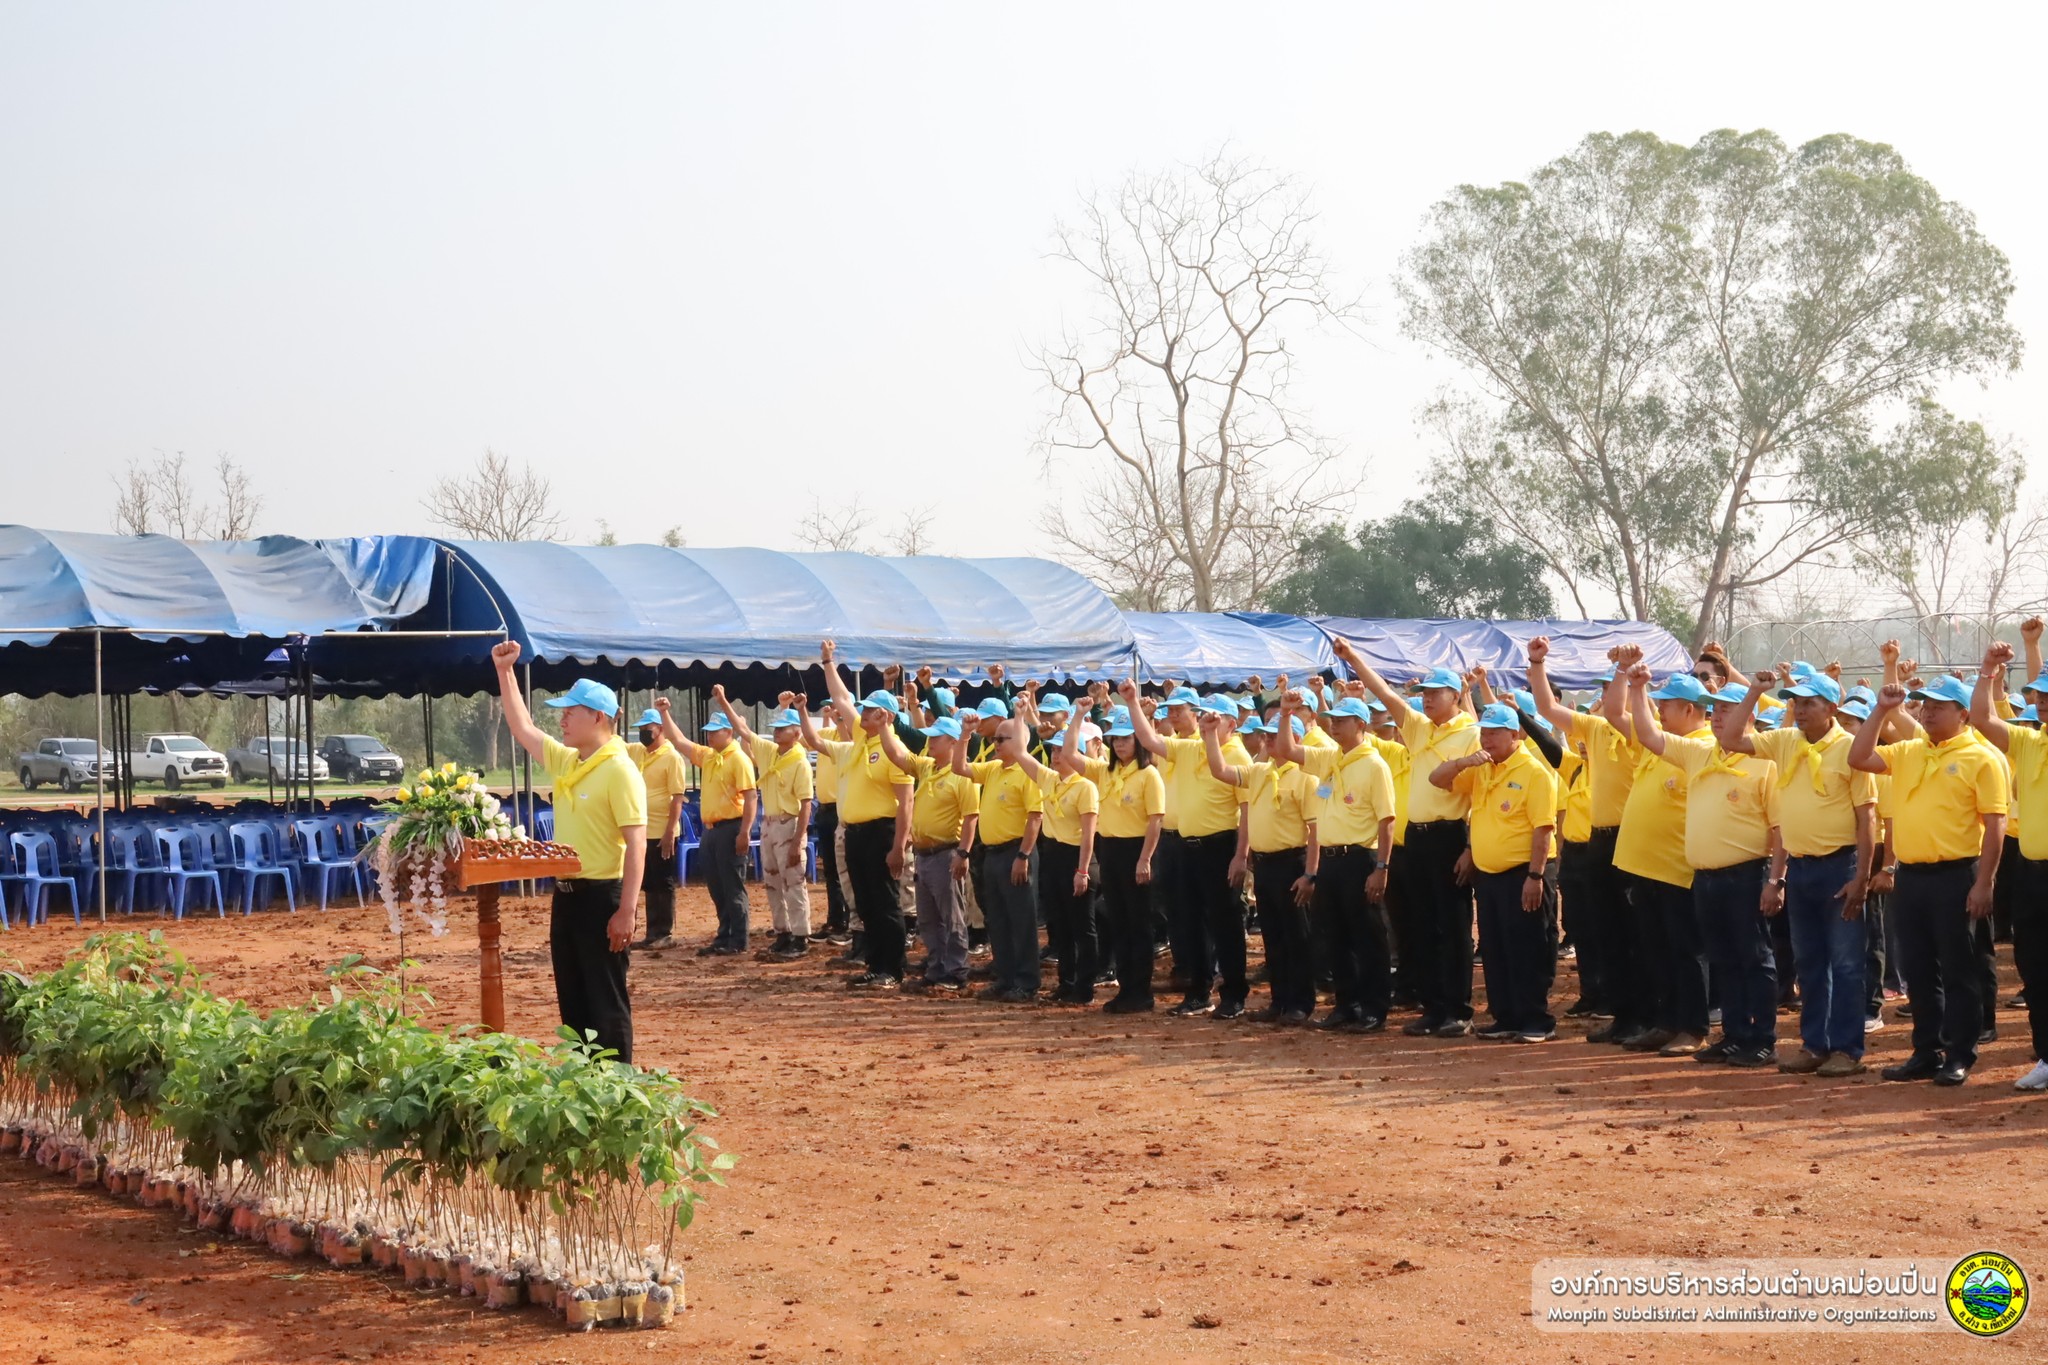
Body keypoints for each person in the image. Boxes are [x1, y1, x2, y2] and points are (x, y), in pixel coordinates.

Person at [1849, 675, 2009, 1086]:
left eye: (1940, 704)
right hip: (1913, 877)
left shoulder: (1982, 757)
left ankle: (1960, 1053)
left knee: (1960, 969)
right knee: (1919, 970)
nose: (1929, 710)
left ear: (1963, 713)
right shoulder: (1909, 750)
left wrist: (1985, 883)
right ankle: (1925, 1050)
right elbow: (1859, 756)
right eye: (1925, 703)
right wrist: (1882, 709)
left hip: (1958, 874)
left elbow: (1995, 825)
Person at [1717, 668, 1876, 1077]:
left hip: (1841, 865)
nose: (1800, 710)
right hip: (1802, 867)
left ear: (1832, 708)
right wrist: (1754, 690)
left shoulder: (1851, 748)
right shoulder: (1787, 740)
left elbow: (1866, 817)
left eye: (1810, 703)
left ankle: (1846, 1049)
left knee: (1845, 965)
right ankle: (1815, 1045)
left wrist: (1862, 877)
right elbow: (1730, 739)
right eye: (1796, 703)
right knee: (1810, 963)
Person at [491, 643, 645, 1062]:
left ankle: (617, 1091)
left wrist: (627, 911)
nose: (561, 719)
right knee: (574, 1002)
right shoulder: (572, 761)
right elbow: (523, 728)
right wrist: (505, 672)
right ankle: (582, 1084)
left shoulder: (619, 769)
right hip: (568, 896)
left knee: (606, 1002)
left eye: (570, 711)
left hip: (603, 897)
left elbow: (636, 844)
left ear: (598, 717)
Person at [1628, 663, 1783, 1066]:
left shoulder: (1765, 762)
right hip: (1706, 877)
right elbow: (1647, 734)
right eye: (1714, 710)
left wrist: (1776, 881)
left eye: (1728, 710)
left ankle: (1762, 1038)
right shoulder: (1699, 753)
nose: (1717, 716)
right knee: (1724, 959)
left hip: (1749, 875)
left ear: (1749, 716)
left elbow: (1781, 828)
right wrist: (1638, 686)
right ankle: (1734, 1035)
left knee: (1755, 958)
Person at [1330, 636, 1480, 1038]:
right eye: (1424, 693)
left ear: (1455, 695)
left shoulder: (1471, 733)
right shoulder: (1418, 728)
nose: (1426, 700)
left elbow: (1481, 794)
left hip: (1451, 834)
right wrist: (1354, 660)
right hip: (1416, 839)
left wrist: (1469, 846)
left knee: (1452, 927)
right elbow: (1383, 691)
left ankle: (1458, 1010)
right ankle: (1433, 1007)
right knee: (1420, 927)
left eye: (1435, 693)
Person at [1599, 653, 1711, 1054]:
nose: (1659, 710)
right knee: (1656, 951)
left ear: (1689, 709)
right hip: (1644, 867)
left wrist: (1640, 685)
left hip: (1678, 868)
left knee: (1686, 952)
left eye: (1665, 705)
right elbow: (1614, 712)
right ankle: (1666, 1022)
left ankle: (1693, 1027)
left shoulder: (1703, 747)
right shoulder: (1657, 743)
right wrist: (1628, 677)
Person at [1430, 702, 1560, 1042]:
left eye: (1494, 733)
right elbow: (1437, 779)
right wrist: (1463, 762)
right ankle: (1506, 1017)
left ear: (1514, 734)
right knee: (1496, 948)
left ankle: (1536, 1019)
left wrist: (1535, 876)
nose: (1487, 740)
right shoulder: (1482, 768)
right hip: (1489, 874)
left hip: (1523, 873)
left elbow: (1543, 829)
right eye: (1484, 733)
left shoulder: (1534, 772)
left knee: (1526, 947)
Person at [1127, 682, 1253, 1020]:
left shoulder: (1238, 755)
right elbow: (1149, 740)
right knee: (1188, 922)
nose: (1210, 722)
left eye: (1218, 718)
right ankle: (1198, 992)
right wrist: (1130, 702)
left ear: (1232, 723)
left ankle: (1234, 995)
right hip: (1185, 846)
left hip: (1220, 845)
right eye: (1206, 716)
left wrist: (1241, 855)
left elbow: (1247, 812)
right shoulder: (1188, 747)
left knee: (1225, 922)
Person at [1270, 693, 1397, 1030]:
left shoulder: (1375, 765)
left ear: (1361, 724)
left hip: (1359, 858)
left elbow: (1387, 821)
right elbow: (1287, 750)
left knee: (1367, 937)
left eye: (1342, 720)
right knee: (1335, 936)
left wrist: (1381, 868)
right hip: (1329, 860)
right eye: (1333, 720)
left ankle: (1373, 1009)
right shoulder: (1330, 757)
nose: (1334, 725)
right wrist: (1285, 715)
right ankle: (1346, 1004)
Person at [1528, 639, 1634, 1024]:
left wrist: (1625, 671)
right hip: (1591, 846)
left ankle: (1631, 1009)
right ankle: (1610, 1004)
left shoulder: (1638, 732)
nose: (1607, 697)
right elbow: (1546, 709)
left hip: (1627, 839)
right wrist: (1537, 662)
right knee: (1597, 928)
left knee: (1627, 931)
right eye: (1603, 690)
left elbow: (1630, 711)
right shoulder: (1592, 733)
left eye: (1612, 689)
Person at [807, 639, 916, 988]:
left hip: (881, 832)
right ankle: (875, 963)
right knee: (866, 904)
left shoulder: (893, 748)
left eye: (870, 711)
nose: (862, 714)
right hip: (855, 832)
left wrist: (899, 845)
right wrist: (828, 662)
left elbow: (906, 802)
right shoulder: (859, 740)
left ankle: (893, 968)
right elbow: (841, 698)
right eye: (864, 710)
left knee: (885, 902)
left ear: (886, 716)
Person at [1205, 711, 1320, 1024]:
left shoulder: (1306, 777)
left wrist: (1310, 874)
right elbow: (1221, 770)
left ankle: (1300, 1003)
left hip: (1292, 862)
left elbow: (1315, 831)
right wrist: (1210, 735)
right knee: (1273, 936)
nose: (1267, 740)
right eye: (1266, 736)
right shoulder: (1259, 771)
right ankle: (1279, 1000)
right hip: (1266, 865)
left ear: (1294, 739)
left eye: (1274, 736)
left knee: (1297, 936)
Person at [1971, 643, 2048, 1090]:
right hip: (2033, 875)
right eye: (2038, 695)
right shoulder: (2030, 740)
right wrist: (1987, 671)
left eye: (2047, 696)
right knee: (2034, 967)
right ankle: (2045, 1056)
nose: (2040, 702)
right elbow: (1982, 719)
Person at [876, 711, 980, 993]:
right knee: (929, 918)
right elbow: (898, 756)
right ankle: (937, 968)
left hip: (947, 852)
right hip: (925, 854)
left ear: (953, 743)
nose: (930, 742)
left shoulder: (962, 776)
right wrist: (886, 727)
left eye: (937, 738)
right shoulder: (927, 768)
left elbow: (972, 816)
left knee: (952, 916)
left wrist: (964, 853)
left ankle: (956, 971)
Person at [653, 692, 757, 956]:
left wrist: (745, 832)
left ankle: (738, 938)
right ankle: (724, 935)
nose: (709, 736)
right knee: (716, 886)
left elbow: (751, 796)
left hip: (731, 827)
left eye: (714, 732)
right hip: (710, 831)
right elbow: (679, 740)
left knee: (733, 886)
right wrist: (665, 713)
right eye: (708, 732)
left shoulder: (739, 759)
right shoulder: (710, 756)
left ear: (728, 732)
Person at [952, 715, 1045, 1001]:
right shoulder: (993, 769)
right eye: (995, 739)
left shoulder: (1029, 773)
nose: (996, 744)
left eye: (1002, 739)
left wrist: (1023, 855)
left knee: (1021, 920)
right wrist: (966, 736)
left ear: (1018, 742)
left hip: (1016, 852)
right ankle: (1005, 978)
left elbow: (1035, 817)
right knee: (998, 920)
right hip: (992, 854)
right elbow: (959, 767)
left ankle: (1027, 982)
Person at [718, 690, 816, 959]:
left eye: (783, 729)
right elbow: (742, 729)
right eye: (777, 729)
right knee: (772, 881)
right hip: (770, 824)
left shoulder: (800, 763)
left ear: (797, 734)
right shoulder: (772, 753)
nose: (777, 733)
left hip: (788, 823)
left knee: (794, 882)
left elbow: (806, 804)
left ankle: (800, 935)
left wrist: (798, 840)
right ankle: (783, 932)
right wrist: (724, 701)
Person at [1012, 716, 1102, 1003]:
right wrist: (1018, 716)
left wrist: (1083, 870)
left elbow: (1089, 834)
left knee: (1082, 928)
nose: (1055, 755)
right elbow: (1020, 753)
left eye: (1061, 750)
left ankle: (1085, 987)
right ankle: (1067, 982)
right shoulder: (1049, 779)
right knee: (1059, 925)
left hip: (1077, 857)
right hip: (1053, 856)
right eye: (1052, 750)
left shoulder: (1086, 786)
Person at [1094, 711, 1166, 1013]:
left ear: (1138, 741)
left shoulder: (1148, 774)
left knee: (1138, 922)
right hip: (1109, 849)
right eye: (1115, 738)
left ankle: (1141, 990)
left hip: (1136, 850)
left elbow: (1156, 820)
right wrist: (1082, 715)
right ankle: (1126, 987)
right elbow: (1070, 755)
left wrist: (1145, 859)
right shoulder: (1107, 772)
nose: (1119, 743)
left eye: (1125, 738)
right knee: (1117, 919)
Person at [625, 706, 688, 951]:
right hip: (644, 831)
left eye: (647, 729)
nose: (643, 733)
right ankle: (652, 932)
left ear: (660, 729)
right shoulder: (641, 753)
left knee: (663, 882)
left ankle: (664, 932)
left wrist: (670, 831)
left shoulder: (671, 757)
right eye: (640, 730)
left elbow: (677, 798)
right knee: (649, 882)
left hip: (663, 830)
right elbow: (613, 742)